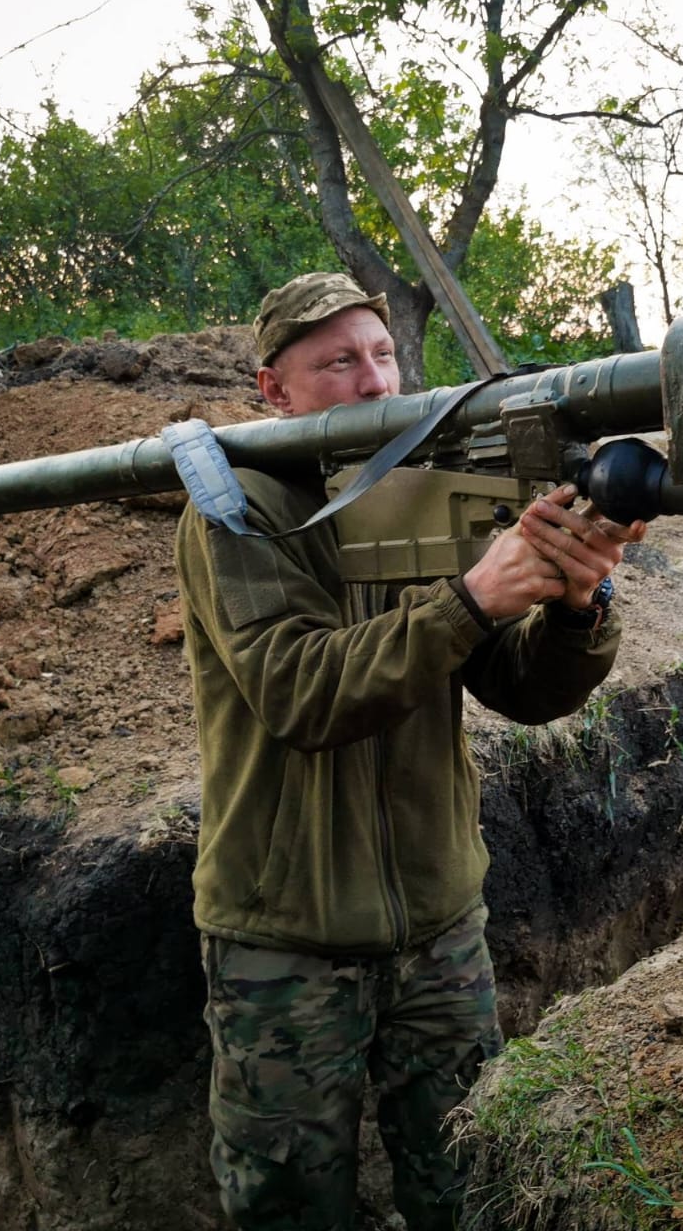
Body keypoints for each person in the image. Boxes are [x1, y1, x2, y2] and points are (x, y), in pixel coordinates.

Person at [174, 271, 646, 1230]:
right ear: (275, 390)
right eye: (337, 361)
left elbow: (522, 690)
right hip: (286, 940)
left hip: (439, 931)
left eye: (382, 353)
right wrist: (472, 596)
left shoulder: (409, 490)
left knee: (466, 1185)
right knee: (291, 1204)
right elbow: (298, 691)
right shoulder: (237, 509)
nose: (372, 378)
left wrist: (571, 604)